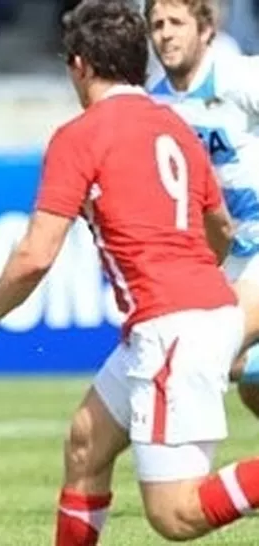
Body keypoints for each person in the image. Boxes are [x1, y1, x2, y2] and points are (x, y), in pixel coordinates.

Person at [0, 1, 259, 543]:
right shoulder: (176, 124)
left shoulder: (81, 135)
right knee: (85, 442)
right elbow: (222, 230)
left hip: (172, 326)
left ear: (79, 66)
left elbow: (35, 255)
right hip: (195, 311)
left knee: (176, 515)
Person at [145, 0, 259, 424]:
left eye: (177, 22)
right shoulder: (154, 108)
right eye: (157, 25)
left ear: (206, 30)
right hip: (223, 256)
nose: (166, 34)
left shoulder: (240, 78)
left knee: (209, 351)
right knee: (248, 383)